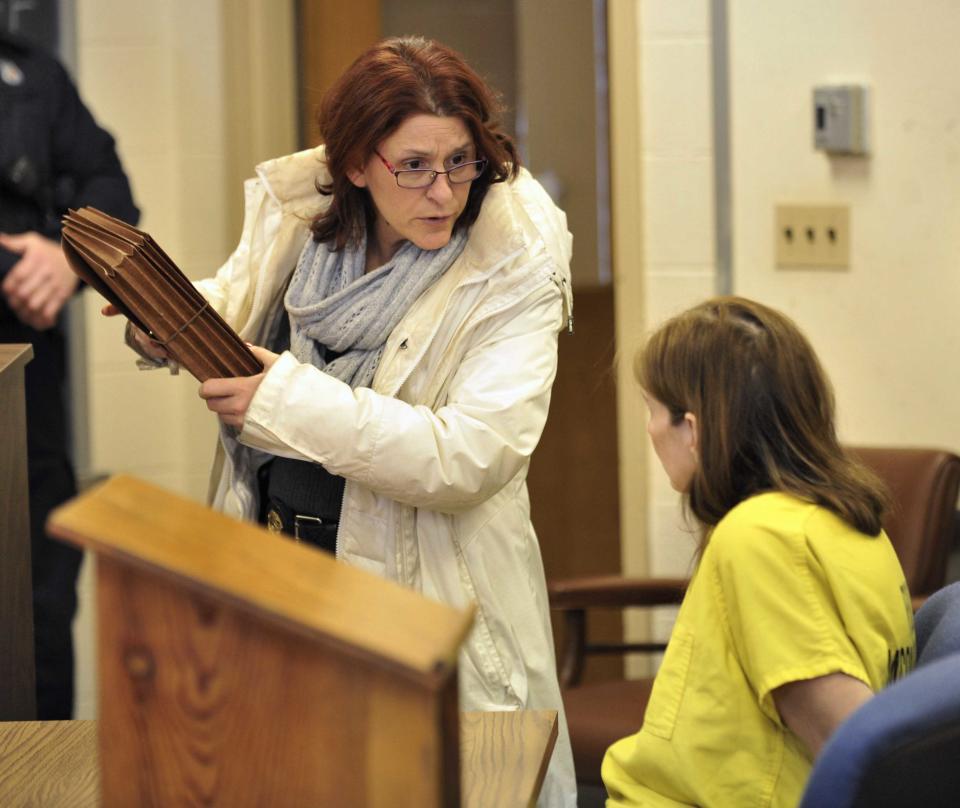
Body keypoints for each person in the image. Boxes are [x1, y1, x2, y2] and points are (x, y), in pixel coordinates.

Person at [117, 36, 576, 806]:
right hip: (278, 572)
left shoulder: (513, 259)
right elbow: (240, 301)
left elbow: (470, 457)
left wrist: (283, 400)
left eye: (460, 161)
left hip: (419, 595)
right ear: (357, 164)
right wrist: (160, 323)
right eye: (416, 166)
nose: (443, 193)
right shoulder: (311, 219)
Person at [602, 297, 916, 807]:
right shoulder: (846, 520)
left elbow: (852, 744)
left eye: (653, 409)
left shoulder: (757, 537)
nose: (651, 429)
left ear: (694, 430)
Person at [0, 30, 139, 720]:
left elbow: (110, 189)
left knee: (37, 597)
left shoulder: (31, 72)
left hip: (24, 387)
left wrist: (66, 258)